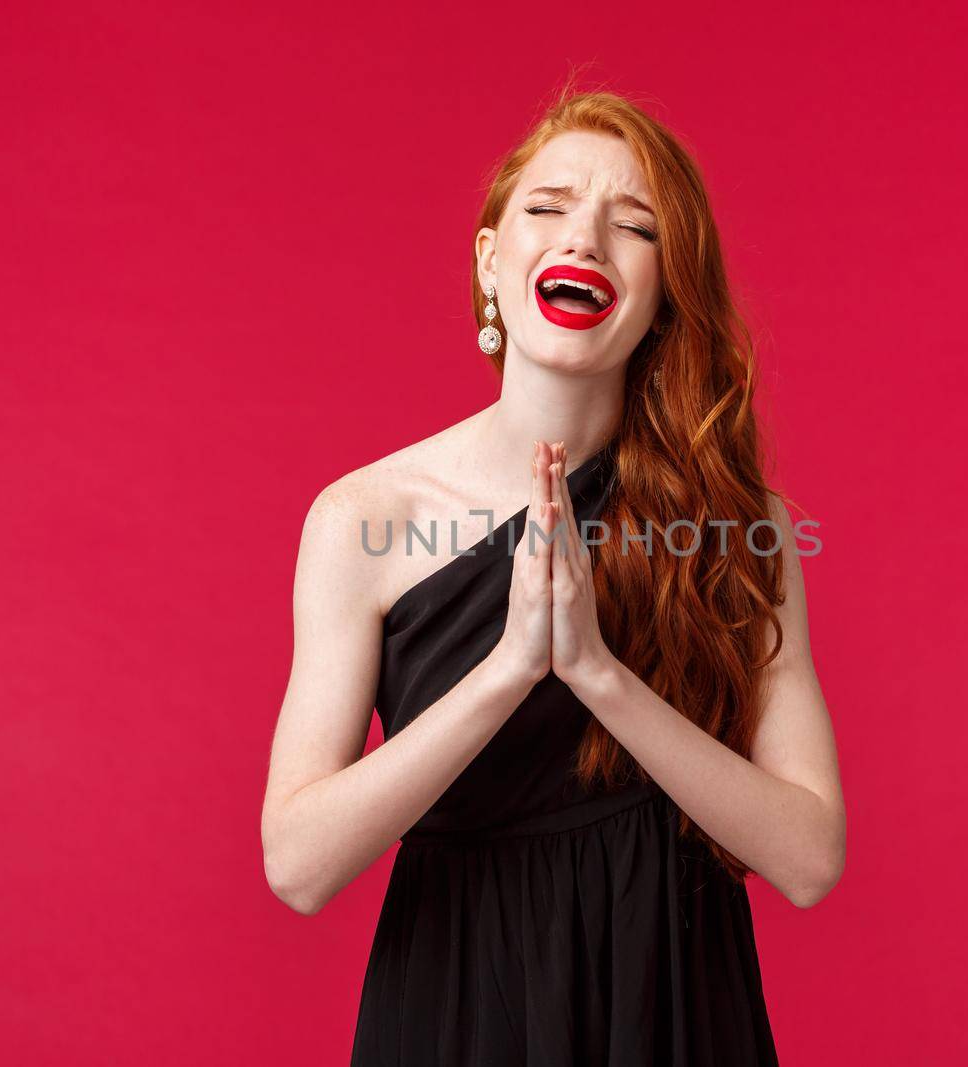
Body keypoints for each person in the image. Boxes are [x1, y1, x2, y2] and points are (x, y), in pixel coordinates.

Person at [261, 87, 845, 1066]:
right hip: (459, 996)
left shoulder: (742, 528)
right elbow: (297, 863)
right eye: (548, 207)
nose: (585, 238)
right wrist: (508, 668)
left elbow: (809, 855)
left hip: (669, 1000)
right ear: (492, 259)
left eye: (634, 225)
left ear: (665, 295)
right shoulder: (361, 518)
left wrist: (597, 673)